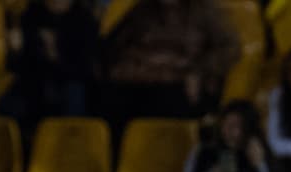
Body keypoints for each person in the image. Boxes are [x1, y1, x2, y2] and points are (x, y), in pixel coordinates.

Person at [100, 0, 240, 135]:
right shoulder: (143, 9)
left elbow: (230, 48)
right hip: (139, 82)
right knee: (108, 98)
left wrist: (200, 70)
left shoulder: (203, 10)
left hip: (179, 84)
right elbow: (113, 47)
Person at [0, 0, 97, 145]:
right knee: (8, 104)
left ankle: (66, 148)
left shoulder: (84, 21)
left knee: (73, 96)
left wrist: (53, 54)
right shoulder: (32, 16)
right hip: (35, 81)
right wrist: (15, 51)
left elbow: (83, 69)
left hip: (69, 82)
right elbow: (19, 67)